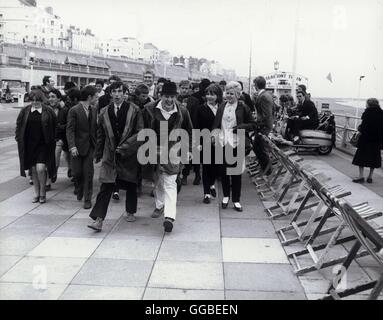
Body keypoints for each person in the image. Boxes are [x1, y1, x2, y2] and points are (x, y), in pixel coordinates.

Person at [88, 81, 144, 232]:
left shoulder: (135, 110)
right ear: (110, 94)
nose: (117, 94)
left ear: (125, 93)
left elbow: (140, 132)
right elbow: (100, 134)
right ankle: (98, 220)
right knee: (106, 185)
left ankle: (131, 210)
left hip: (129, 154)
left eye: (120, 91)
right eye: (114, 92)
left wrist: (126, 147)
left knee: (131, 183)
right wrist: (98, 153)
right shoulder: (104, 112)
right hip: (110, 154)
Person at [143, 81, 193, 233]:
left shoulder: (183, 111)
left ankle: (169, 217)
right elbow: (143, 130)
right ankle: (159, 205)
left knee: (170, 182)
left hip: (173, 150)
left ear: (176, 96)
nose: (169, 100)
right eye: (166, 96)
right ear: (160, 95)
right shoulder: (149, 109)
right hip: (153, 148)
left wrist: (189, 149)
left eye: (172, 97)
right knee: (157, 179)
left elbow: (189, 131)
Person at [212, 81, 255, 212]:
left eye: (232, 93)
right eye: (227, 93)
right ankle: (225, 196)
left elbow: (253, 124)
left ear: (237, 94)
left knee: (236, 173)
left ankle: (236, 200)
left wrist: (241, 127)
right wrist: (214, 135)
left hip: (237, 142)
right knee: (223, 171)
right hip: (223, 142)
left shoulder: (244, 107)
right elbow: (216, 123)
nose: (229, 96)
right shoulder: (222, 106)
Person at [15, 89, 57, 204]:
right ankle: (37, 194)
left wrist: (54, 139)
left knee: (41, 169)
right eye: (33, 100)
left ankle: (43, 192)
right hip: (29, 145)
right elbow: (19, 125)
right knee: (33, 170)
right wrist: (18, 137)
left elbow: (55, 125)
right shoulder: (25, 111)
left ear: (41, 100)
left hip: (43, 144)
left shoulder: (48, 111)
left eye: (37, 100)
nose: (35, 102)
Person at [66, 85, 98, 209]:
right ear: (89, 97)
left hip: (90, 146)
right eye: (95, 96)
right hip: (77, 147)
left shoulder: (94, 109)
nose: (97, 98)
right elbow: (70, 130)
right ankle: (79, 188)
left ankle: (87, 198)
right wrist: (72, 146)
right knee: (77, 173)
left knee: (88, 174)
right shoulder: (74, 110)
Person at [196, 84, 223, 204]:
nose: (209, 97)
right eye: (208, 94)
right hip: (205, 142)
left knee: (216, 167)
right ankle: (206, 193)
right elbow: (196, 126)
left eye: (212, 94)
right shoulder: (200, 109)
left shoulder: (222, 108)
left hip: (219, 142)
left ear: (218, 96)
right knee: (206, 167)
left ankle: (211, 184)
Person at [182, 78, 211, 185]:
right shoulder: (193, 98)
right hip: (189, 128)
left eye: (187, 88)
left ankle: (195, 175)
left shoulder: (194, 99)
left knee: (194, 153)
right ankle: (188, 175)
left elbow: (195, 115)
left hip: (194, 128)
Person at [352, 98, 383, 183]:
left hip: (365, 139)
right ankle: (370, 176)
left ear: (369, 104)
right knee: (374, 158)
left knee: (361, 158)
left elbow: (364, 126)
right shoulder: (381, 113)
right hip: (376, 140)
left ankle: (361, 176)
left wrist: (360, 128)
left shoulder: (367, 113)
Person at [253, 76, 274, 174]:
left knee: (260, 148)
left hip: (263, 127)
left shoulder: (263, 96)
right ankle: (265, 168)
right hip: (264, 125)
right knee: (258, 147)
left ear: (256, 85)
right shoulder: (267, 95)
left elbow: (266, 115)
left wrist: (258, 124)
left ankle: (267, 170)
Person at [48, 89, 71, 180]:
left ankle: (70, 169)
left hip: (64, 138)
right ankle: (53, 173)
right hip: (53, 139)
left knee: (67, 156)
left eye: (53, 97)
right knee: (55, 157)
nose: (50, 99)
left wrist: (59, 127)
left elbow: (70, 125)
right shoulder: (47, 109)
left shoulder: (65, 110)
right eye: (49, 97)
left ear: (59, 99)